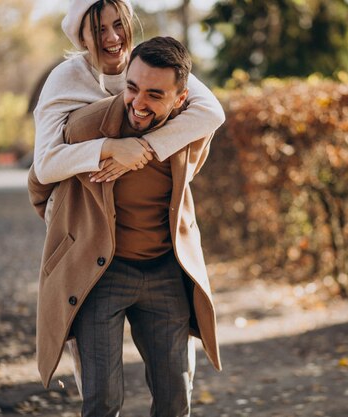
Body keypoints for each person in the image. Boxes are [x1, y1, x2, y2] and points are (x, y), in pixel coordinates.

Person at [28, 37, 221, 417]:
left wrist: (148, 148)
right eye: (132, 88)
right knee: (102, 400)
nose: (138, 102)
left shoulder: (188, 135)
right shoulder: (85, 127)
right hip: (103, 275)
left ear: (180, 100)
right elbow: (39, 182)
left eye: (154, 94)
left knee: (175, 398)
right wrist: (70, 232)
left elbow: (194, 161)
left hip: (165, 271)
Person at [33, 0, 225, 185]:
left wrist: (145, 147)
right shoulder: (64, 79)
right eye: (100, 30)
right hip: (86, 206)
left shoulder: (147, 62)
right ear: (82, 38)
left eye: (119, 25)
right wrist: (110, 148)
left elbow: (212, 113)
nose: (114, 37)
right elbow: (44, 165)